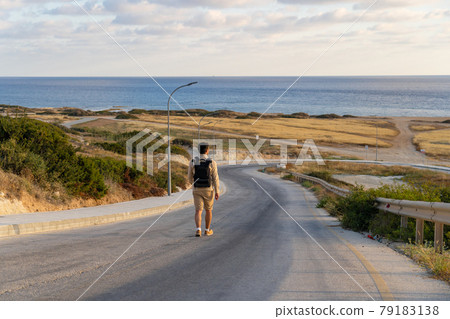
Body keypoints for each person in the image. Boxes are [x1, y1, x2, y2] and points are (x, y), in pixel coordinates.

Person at [187, 143, 220, 237]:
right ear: (207, 150)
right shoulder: (212, 162)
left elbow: (189, 177)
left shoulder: (193, 161)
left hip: (197, 189)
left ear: (199, 151)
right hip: (208, 189)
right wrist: (217, 191)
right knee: (208, 210)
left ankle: (198, 230)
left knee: (198, 210)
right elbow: (215, 178)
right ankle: (207, 230)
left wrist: (193, 185)